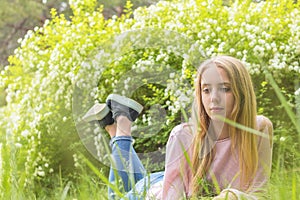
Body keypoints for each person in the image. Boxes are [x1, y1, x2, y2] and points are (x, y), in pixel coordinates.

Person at [82, 55, 273, 199]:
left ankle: (113, 125)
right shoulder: (183, 135)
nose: (213, 98)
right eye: (206, 90)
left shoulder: (259, 128)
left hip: (169, 179)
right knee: (116, 196)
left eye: (224, 88)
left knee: (138, 181)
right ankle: (121, 123)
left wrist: (232, 195)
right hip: (163, 192)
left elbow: (260, 193)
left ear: (242, 91)